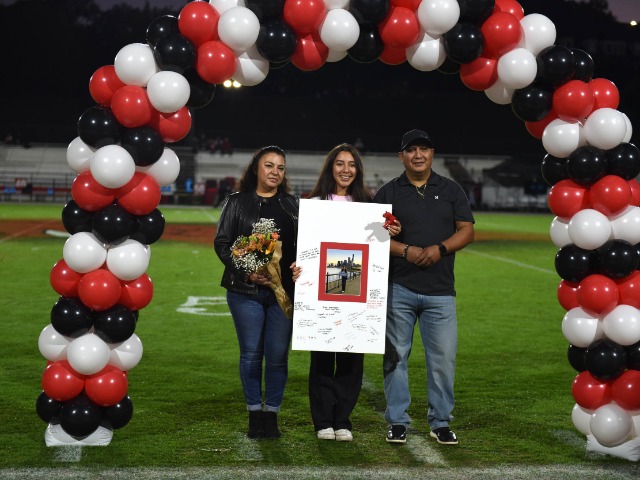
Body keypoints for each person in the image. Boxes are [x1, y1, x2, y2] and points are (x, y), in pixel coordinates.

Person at [373, 129, 475, 446]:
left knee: (442, 361)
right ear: (401, 156)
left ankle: (440, 421)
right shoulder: (388, 191)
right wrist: (404, 249)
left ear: (432, 154)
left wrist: (440, 249)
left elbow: (467, 230)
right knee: (395, 358)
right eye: (411, 150)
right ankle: (397, 421)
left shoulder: (451, 189)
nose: (418, 155)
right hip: (398, 287)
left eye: (424, 149)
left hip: (440, 292)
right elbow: (374, 236)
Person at [305, 143, 401, 442]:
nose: (346, 170)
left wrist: (391, 231)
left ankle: (343, 420)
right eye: (340, 163)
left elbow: (380, 243)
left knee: (351, 358)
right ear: (330, 167)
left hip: (357, 289)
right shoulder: (315, 203)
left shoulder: (369, 205)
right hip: (321, 290)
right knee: (322, 356)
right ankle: (323, 421)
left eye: (351, 164)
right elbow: (305, 246)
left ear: (358, 170)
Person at [214, 145, 299, 439]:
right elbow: (222, 243)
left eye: (280, 167)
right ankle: (254, 413)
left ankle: (271, 415)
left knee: (277, 355)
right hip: (244, 292)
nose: (275, 172)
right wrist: (247, 272)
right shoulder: (237, 202)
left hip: (282, 294)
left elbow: (306, 245)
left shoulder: (293, 205)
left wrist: (300, 266)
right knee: (251, 354)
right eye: (269, 166)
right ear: (256, 169)